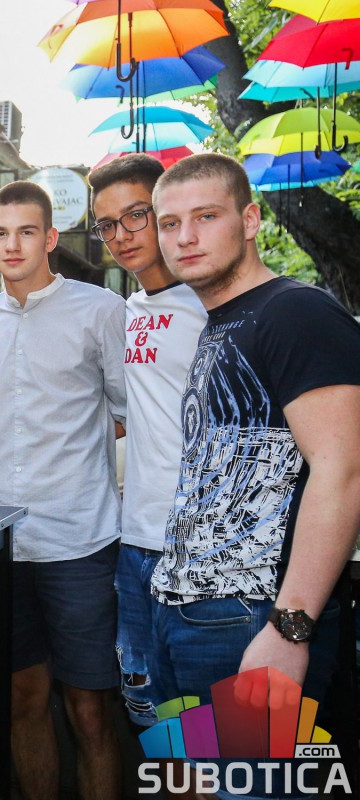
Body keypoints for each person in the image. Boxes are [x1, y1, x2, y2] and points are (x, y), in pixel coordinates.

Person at [149, 153, 360, 708]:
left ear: (249, 221)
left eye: (206, 216)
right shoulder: (223, 320)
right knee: (189, 764)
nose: (185, 237)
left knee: (253, 768)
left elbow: (344, 472)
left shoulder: (296, 311)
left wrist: (291, 628)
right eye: (169, 223)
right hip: (186, 611)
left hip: (254, 617)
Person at [0, 181, 126, 800]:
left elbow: (129, 409)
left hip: (81, 540)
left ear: (50, 238)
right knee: (21, 699)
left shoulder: (100, 310)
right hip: (2, 543)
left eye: (26, 232)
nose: (13, 244)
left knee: (90, 708)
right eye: (1, 233)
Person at [88, 153, 207, 728]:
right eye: (107, 224)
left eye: (136, 215)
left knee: (217, 733)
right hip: (133, 543)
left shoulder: (214, 304)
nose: (122, 235)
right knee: (155, 727)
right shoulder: (126, 312)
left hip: (204, 548)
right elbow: (127, 411)